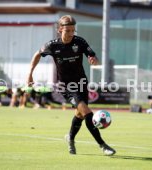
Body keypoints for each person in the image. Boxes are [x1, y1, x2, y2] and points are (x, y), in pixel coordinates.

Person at [27, 15, 116, 156]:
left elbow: (94, 58)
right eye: (67, 30)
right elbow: (37, 54)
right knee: (87, 113)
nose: (70, 34)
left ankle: (70, 138)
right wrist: (30, 74)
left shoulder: (79, 42)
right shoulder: (52, 45)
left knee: (79, 114)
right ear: (60, 29)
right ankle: (102, 145)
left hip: (81, 83)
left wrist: (94, 61)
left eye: (73, 30)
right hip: (66, 86)